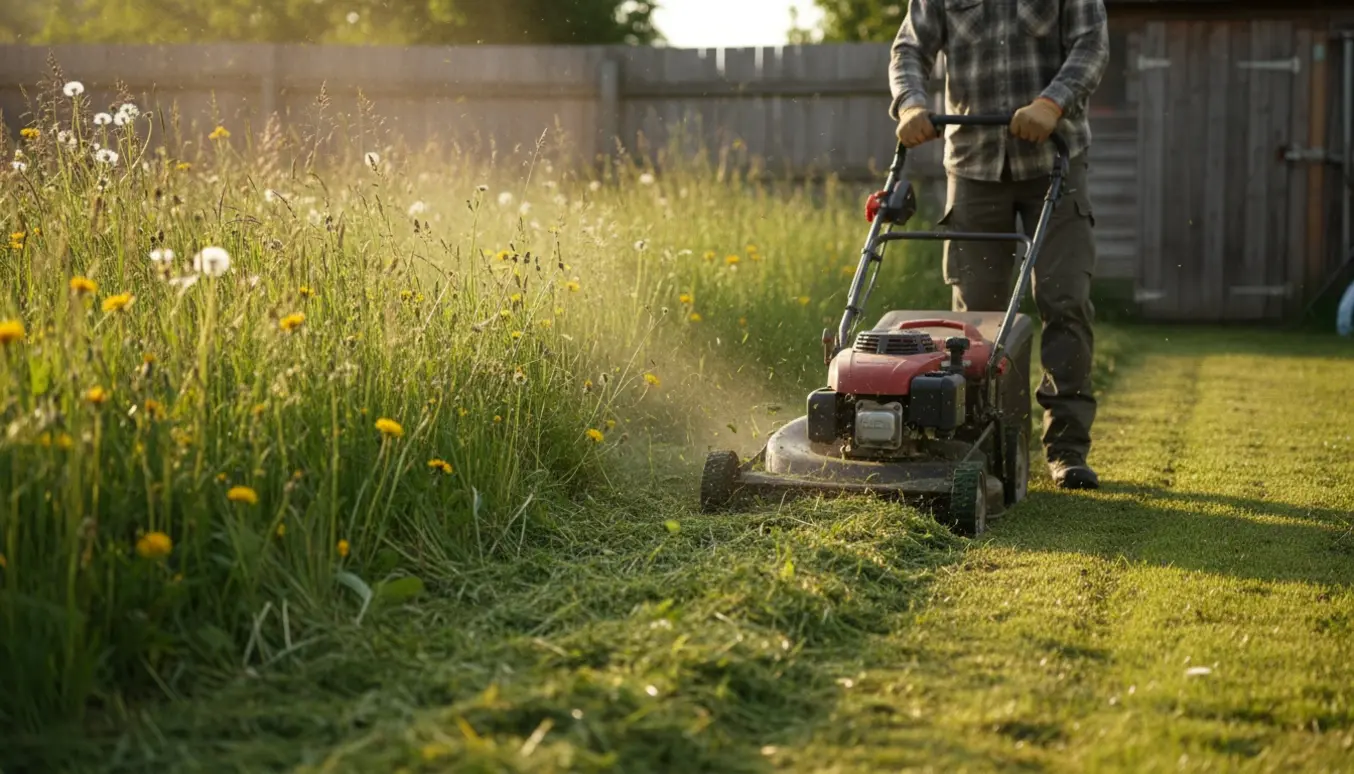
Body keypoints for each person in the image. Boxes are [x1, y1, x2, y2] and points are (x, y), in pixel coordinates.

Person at [888, 0, 1110, 490]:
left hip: (1054, 158)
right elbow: (909, 48)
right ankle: (983, 444)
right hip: (972, 163)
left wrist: (1051, 102)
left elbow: (1091, 45)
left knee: (1064, 298)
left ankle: (1066, 449)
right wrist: (911, 103)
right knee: (973, 320)